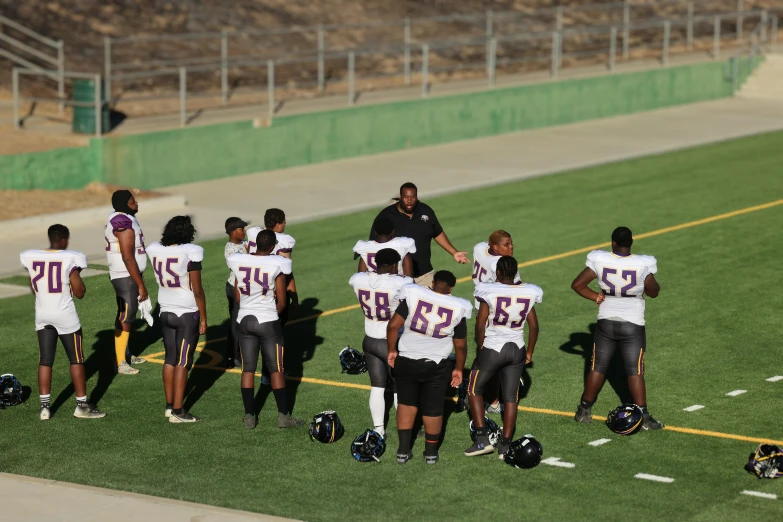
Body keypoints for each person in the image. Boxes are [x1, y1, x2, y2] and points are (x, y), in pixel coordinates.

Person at [570, 226, 663, 430]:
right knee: (634, 371)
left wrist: (595, 296)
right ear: (631, 242)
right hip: (633, 323)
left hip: (606, 321)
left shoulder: (600, 259)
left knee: (598, 367)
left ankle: (583, 411)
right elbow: (654, 291)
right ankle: (644, 417)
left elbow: (577, 284)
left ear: (612, 242)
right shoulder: (643, 263)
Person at [386, 271, 472, 464]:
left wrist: (391, 350)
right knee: (433, 407)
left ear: (432, 283)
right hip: (436, 364)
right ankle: (431, 453)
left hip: (407, 359)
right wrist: (458, 368)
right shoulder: (458, 306)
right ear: (451, 288)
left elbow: (392, 327)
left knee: (406, 404)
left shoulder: (413, 295)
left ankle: (403, 450)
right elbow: (460, 345)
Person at [20, 225, 105, 420]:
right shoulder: (69, 258)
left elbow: (34, 286)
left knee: (45, 360)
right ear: (65, 239)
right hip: (65, 315)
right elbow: (80, 292)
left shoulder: (32, 257)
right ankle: (82, 406)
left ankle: (44, 408)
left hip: (42, 314)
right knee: (76, 359)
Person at [466, 256, 542, 458]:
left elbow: (480, 325)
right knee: (511, 398)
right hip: (517, 347)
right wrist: (530, 352)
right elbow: (534, 326)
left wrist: (481, 347)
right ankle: (505, 446)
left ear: (498, 273)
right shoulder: (528, 291)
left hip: (494, 347)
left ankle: (482, 440)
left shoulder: (488, 290)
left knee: (474, 389)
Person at [228, 229, 304, 430]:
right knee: (276, 369)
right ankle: (283, 417)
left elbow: (237, 296)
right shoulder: (277, 264)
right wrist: (272, 315)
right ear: (272, 246)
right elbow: (281, 300)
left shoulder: (240, 261)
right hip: (267, 321)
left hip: (244, 319)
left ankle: (249, 417)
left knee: (247, 369)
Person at [146, 216, 207, 423]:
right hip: (186, 311)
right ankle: (178, 411)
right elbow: (197, 289)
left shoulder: (155, 249)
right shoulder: (191, 252)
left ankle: (169, 405)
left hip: (165, 310)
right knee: (183, 361)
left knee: (170, 359)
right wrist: (204, 317)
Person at [348, 248, 413, 437]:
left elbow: (360, 275)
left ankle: (379, 430)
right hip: (391, 342)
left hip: (369, 339)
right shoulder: (402, 282)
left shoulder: (359, 279)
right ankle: (404, 428)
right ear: (394, 265)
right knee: (400, 387)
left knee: (377, 385)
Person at [372, 183, 468, 288]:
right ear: (400, 197)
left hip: (425, 276)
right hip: (398, 279)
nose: (409, 200)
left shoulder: (425, 210)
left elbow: (437, 232)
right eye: (406, 197)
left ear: (417, 197)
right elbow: (374, 246)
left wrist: (454, 252)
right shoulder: (386, 216)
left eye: (412, 197)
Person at [471, 230, 520, 414]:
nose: (511, 247)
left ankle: (485, 392)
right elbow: (515, 289)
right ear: (495, 247)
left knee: (483, 351)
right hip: (494, 311)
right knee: (495, 355)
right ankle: (493, 401)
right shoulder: (501, 265)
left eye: (511, 243)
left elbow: (483, 245)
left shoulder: (479, 248)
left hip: (480, 307)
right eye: (506, 245)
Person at [104, 189, 148, 375]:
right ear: (124, 203)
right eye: (132, 201)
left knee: (125, 315)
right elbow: (128, 256)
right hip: (125, 274)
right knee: (126, 316)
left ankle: (126, 353)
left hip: (128, 274)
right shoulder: (121, 221)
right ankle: (121, 361)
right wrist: (140, 284)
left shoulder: (127, 217)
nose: (136, 203)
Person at [246, 208, 299, 322]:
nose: (285, 224)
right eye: (284, 221)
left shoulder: (253, 232)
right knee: (273, 331)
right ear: (278, 224)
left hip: (250, 287)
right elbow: (287, 273)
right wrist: (295, 299)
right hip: (271, 291)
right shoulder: (283, 240)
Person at [224, 217, 248, 369]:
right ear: (233, 232)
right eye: (241, 229)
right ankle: (233, 355)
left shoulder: (245, 244)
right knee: (236, 322)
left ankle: (239, 351)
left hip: (245, 288)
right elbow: (240, 268)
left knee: (242, 321)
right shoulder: (230, 249)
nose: (244, 231)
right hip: (235, 288)